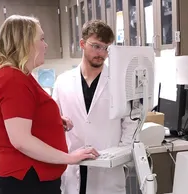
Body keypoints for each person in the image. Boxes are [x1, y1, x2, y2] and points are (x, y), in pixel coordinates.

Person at [0, 15, 99, 194]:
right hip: (28, 179)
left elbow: (22, 117)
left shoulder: (20, 76)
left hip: (33, 176)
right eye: (41, 39)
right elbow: (21, 141)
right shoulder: (12, 79)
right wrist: (70, 158)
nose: (45, 45)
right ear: (25, 42)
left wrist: (53, 121)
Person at [52, 20, 137, 194]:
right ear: (82, 44)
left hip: (107, 169)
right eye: (96, 46)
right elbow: (53, 122)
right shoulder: (63, 81)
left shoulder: (120, 81)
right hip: (74, 166)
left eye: (106, 48)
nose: (101, 53)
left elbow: (130, 124)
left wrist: (120, 155)